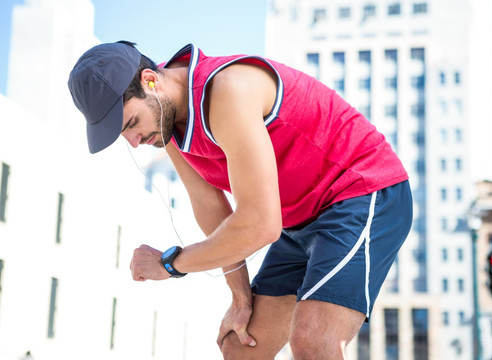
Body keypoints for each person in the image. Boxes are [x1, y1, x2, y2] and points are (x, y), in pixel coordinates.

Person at [68, 41, 413, 360]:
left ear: (151, 81)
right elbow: (211, 207)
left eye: (131, 123)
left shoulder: (227, 90)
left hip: (360, 191)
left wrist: (171, 264)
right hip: (297, 221)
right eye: (123, 134)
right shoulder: (166, 123)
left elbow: (261, 225)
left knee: (312, 340)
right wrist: (240, 297)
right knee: (240, 347)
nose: (134, 140)